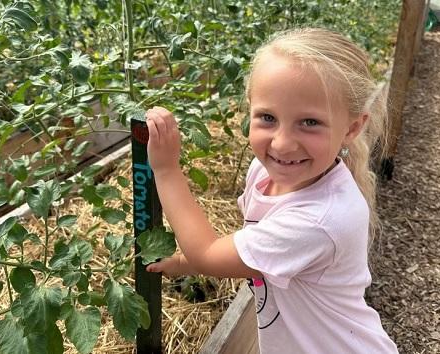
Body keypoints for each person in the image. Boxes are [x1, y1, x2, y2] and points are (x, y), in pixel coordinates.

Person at [144, 27, 397, 353]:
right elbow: (245, 251)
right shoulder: (265, 173)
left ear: (352, 128)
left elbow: (208, 255)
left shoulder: (320, 220)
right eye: (267, 117)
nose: (282, 143)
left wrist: (166, 169)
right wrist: (183, 263)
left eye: (310, 122)